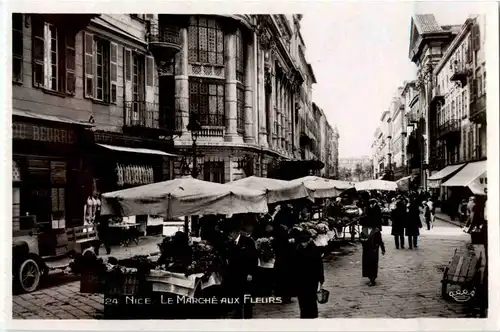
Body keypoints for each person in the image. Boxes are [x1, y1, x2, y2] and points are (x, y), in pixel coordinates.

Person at [225, 214, 259, 319]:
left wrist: (251, 273)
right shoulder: (230, 243)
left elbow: (253, 258)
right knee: (236, 294)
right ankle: (238, 313)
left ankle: (248, 315)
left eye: (231, 234)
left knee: (247, 295)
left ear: (235, 232)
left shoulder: (248, 242)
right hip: (235, 274)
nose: (230, 236)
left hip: (246, 273)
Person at [295, 229, 324, 319]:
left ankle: (312, 315)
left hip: (312, 279)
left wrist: (321, 279)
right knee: (302, 299)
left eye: (305, 242)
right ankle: (303, 315)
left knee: (311, 299)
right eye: (302, 242)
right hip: (300, 279)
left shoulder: (314, 250)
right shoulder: (297, 249)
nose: (303, 244)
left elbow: (319, 265)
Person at [272, 224, 294, 303]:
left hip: (280, 262)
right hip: (287, 262)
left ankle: (281, 294)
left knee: (280, 279)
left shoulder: (277, 240)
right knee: (286, 279)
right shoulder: (287, 240)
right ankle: (287, 295)